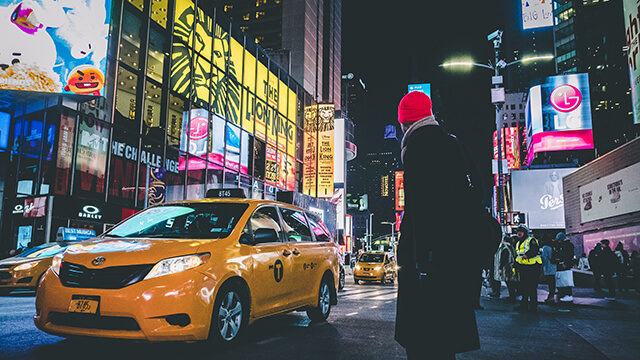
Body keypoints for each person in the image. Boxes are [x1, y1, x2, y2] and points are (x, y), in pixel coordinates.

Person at [394, 91, 489, 359]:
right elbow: (478, 192)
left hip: (429, 265)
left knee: (424, 342)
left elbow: (421, 211)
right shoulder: (453, 143)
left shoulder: (418, 147)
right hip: (456, 262)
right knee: (445, 344)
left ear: (405, 122)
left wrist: (422, 261)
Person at [513, 225, 541, 313]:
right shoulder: (518, 242)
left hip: (532, 267)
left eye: (521, 231)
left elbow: (535, 250)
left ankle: (533, 306)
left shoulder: (531, 240)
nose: (519, 233)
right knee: (523, 287)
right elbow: (518, 255)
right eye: (518, 231)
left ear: (525, 232)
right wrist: (515, 265)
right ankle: (524, 305)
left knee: (531, 287)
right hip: (523, 267)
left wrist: (527, 255)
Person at [492, 235, 518, 302]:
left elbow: (504, 258)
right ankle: (512, 296)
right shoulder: (511, 247)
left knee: (509, 283)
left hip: (507, 268)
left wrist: (500, 268)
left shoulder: (504, 247)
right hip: (511, 266)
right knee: (510, 283)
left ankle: (512, 297)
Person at [553, 232, 575, 303]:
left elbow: (568, 255)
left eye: (559, 240)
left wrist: (565, 263)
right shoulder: (566, 245)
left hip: (564, 264)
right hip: (562, 264)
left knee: (565, 280)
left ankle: (567, 294)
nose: (558, 241)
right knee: (563, 279)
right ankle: (564, 294)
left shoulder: (567, 245)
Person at [540, 236, 556, 302]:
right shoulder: (552, 246)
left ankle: (551, 296)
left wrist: (541, 266)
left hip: (548, 266)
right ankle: (552, 294)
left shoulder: (546, 247)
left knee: (550, 282)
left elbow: (544, 258)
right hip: (554, 266)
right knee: (552, 282)